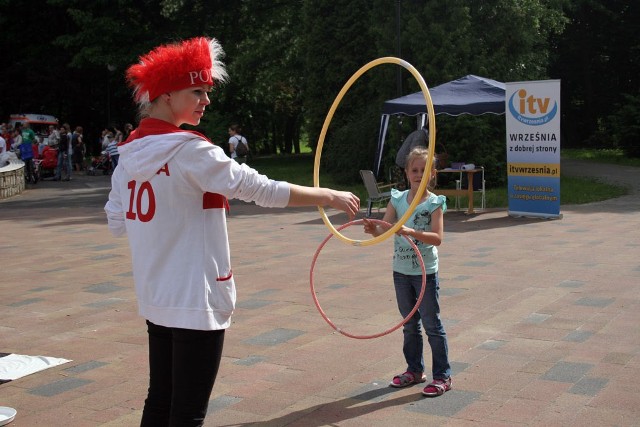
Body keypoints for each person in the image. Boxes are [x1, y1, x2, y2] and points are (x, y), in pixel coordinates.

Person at [104, 36, 359, 427]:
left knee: (160, 400)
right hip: (196, 297)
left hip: (157, 295)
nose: (207, 100)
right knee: (187, 412)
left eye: (207, 91)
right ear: (168, 95)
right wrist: (327, 195)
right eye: (198, 91)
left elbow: (117, 222)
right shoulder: (191, 151)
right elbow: (259, 189)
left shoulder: (129, 155)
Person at [363, 146, 452, 398]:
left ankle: (443, 375)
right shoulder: (397, 199)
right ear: (406, 172)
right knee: (409, 324)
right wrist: (374, 230)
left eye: (424, 170)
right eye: (414, 170)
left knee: (432, 324)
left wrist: (413, 232)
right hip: (401, 271)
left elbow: (437, 238)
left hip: (426, 273)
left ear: (432, 174)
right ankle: (414, 370)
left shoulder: (434, 203)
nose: (418, 174)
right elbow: (386, 228)